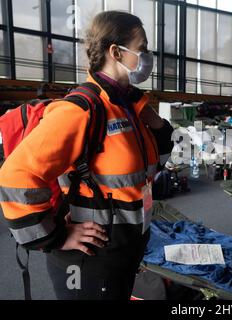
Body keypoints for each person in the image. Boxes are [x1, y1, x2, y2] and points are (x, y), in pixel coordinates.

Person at [0, 11, 174, 300]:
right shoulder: (80, 110)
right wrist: (56, 236)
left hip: (124, 251)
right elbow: (15, 175)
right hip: (89, 259)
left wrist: (141, 106)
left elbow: (156, 159)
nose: (148, 56)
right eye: (142, 48)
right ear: (116, 52)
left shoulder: (125, 105)